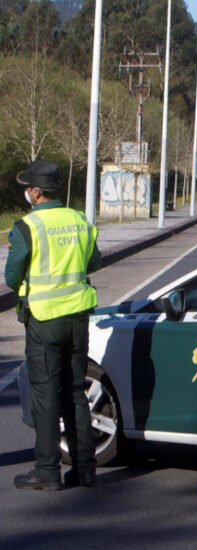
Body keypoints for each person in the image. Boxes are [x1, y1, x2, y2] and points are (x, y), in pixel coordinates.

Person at [4, 160, 102, 490]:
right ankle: (85, 469)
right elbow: (94, 261)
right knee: (75, 392)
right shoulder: (79, 220)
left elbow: (11, 276)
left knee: (46, 396)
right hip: (77, 317)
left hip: (44, 319)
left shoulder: (27, 227)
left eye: (27, 188)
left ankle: (47, 471)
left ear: (35, 192)